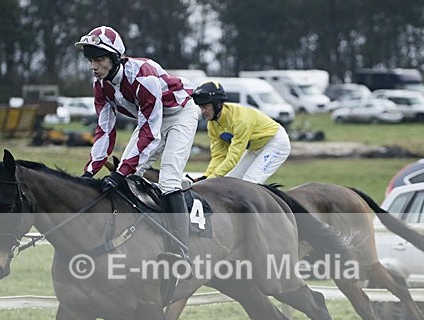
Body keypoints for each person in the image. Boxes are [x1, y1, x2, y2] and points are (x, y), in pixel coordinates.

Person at [75, 26, 199, 261]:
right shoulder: (100, 85)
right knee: (128, 180)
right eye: (91, 60)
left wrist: (120, 172)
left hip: (180, 114)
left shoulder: (143, 74)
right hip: (151, 120)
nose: (93, 66)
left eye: (99, 59)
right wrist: (90, 172)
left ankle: (180, 250)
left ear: (114, 58)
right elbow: (104, 130)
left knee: (169, 180)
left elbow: (151, 134)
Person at [191, 80, 291, 183]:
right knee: (231, 180)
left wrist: (212, 179)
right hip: (255, 147)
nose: (203, 111)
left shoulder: (240, 120)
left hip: (276, 143)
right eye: (201, 107)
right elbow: (219, 155)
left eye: (206, 106)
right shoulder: (212, 124)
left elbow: (233, 157)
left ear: (218, 104)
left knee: (250, 182)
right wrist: (207, 175)